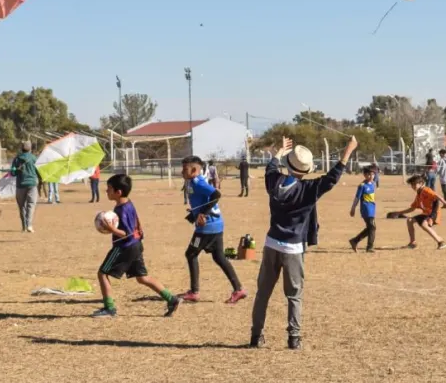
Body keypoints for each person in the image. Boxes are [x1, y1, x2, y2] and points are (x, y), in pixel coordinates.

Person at [250, 136, 357, 351]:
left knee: (263, 293)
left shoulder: (275, 181)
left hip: (271, 244)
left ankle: (256, 336)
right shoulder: (309, 189)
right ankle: (294, 338)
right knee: (294, 296)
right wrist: (348, 150)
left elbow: (270, 167)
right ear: (306, 170)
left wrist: (280, 152)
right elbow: (332, 177)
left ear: (288, 165)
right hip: (293, 248)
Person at [93, 174, 182, 318]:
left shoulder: (122, 210)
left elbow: (126, 233)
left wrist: (112, 229)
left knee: (103, 273)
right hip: (135, 245)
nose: (106, 191)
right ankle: (172, 299)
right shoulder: (128, 203)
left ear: (118, 192)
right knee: (142, 278)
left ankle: (109, 309)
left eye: (108, 189)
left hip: (124, 247)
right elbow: (136, 223)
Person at [178, 156, 247, 304]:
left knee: (191, 254)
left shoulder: (197, 182)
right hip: (215, 225)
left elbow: (216, 194)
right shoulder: (192, 182)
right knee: (219, 257)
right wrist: (193, 214)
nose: (182, 172)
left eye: (185, 169)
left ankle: (194, 292)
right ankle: (239, 289)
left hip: (206, 228)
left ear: (195, 170)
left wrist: (203, 213)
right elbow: (204, 201)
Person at [394, 174, 446, 250]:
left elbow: (436, 196)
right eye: (412, 184)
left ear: (421, 183)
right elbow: (412, 208)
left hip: (434, 212)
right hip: (426, 214)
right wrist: (399, 212)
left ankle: (441, 242)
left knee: (424, 224)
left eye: (414, 184)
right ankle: (413, 243)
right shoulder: (418, 195)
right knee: (409, 220)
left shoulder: (426, 190)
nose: (413, 186)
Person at [10, 140, 39, 233]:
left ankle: (24, 226)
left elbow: (12, 172)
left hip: (20, 185)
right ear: (30, 148)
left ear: (21, 148)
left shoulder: (17, 159)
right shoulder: (34, 158)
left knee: (22, 206)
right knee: (31, 205)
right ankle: (29, 225)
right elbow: (39, 171)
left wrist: (18, 170)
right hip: (32, 184)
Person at [349, 166, 377, 253]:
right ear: (364, 175)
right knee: (372, 227)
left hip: (372, 209)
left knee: (370, 228)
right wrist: (353, 208)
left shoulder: (373, 184)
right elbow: (357, 198)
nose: (371, 176)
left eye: (372, 174)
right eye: (369, 174)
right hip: (366, 209)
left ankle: (355, 241)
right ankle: (370, 247)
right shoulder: (362, 186)